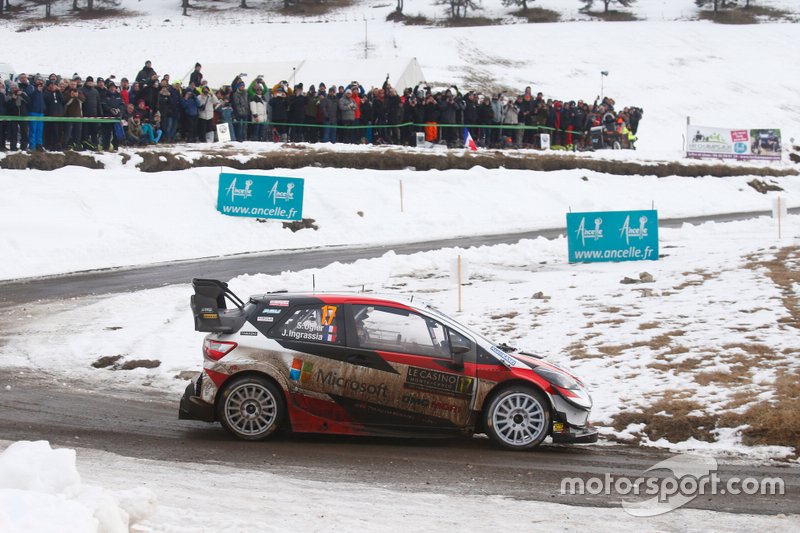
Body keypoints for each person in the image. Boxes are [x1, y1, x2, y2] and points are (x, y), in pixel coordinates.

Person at [28, 76, 46, 151]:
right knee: (33, 129)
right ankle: (32, 146)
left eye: (41, 80)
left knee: (40, 130)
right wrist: (37, 91)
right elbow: (29, 97)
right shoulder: (31, 87)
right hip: (33, 111)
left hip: (41, 112)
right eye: (38, 80)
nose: (40, 82)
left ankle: (39, 145)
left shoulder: (43, 90)